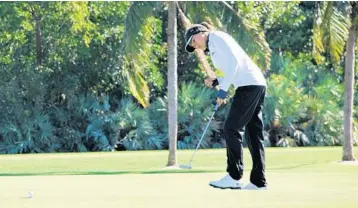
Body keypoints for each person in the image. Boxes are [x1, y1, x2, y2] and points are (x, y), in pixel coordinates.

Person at [184, 22, 267, 190]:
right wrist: (217, 81)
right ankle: (259, 181)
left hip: (248, 86)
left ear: (201, 33)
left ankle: (234, 176)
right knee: (252, 133)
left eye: (193, 41)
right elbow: (233, 70)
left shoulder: (216, 37)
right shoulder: (213, 46)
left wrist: (222, 91)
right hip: (253, 83)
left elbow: (234, 62)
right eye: (192, 45)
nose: (195, 47)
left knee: (231, 128)